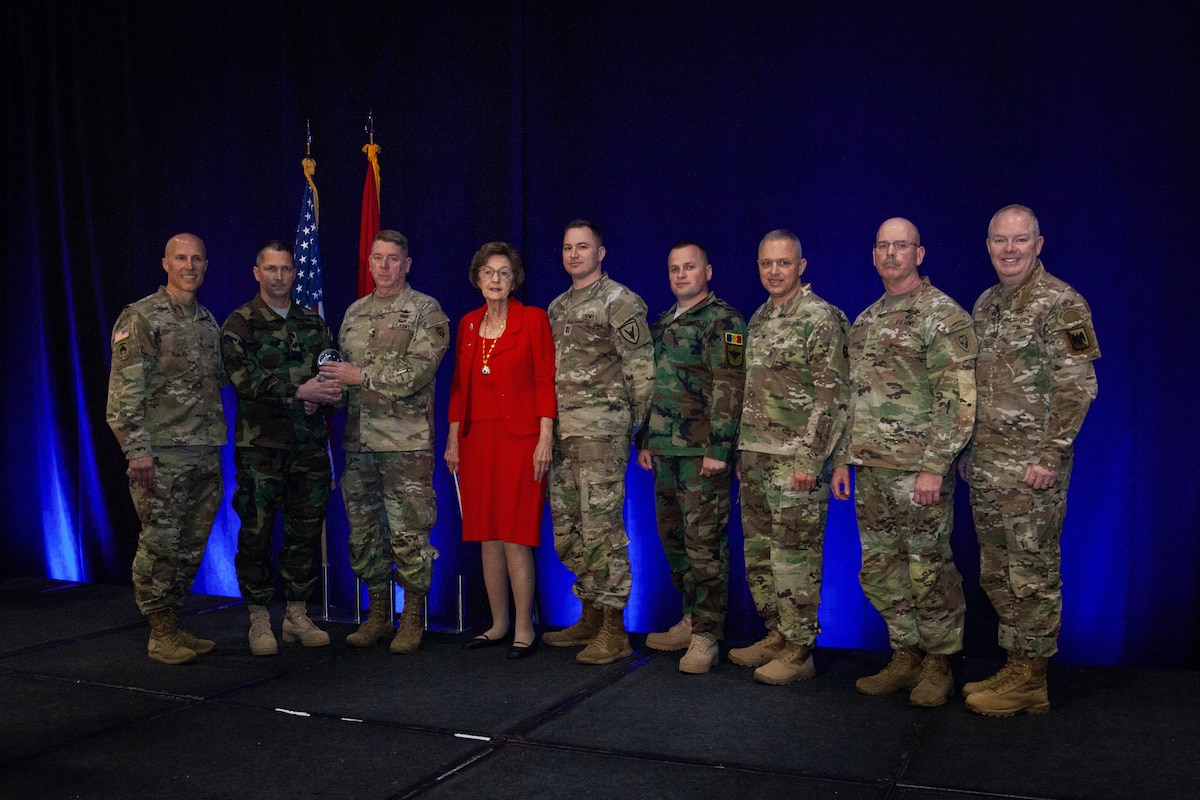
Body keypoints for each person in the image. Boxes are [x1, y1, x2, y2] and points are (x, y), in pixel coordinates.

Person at [959, 205, 1100, 716]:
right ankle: (1018, 663)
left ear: (1039, 244)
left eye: (1020, 240)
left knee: (1033, 572)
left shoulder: (1063, 305)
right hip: (990, 466)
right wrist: (971, 451)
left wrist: (1050, 454)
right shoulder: (985, 305)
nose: (1010, 249)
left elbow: (1078, 388)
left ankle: (1033, 680)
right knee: (997, 572)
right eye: (1000, 240)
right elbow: (978, 388)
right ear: (989, 245)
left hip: (1033, 471)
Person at [831, 218, 977, 707]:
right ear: (874, 255)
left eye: (902, 246)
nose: (892, 254)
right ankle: (906, 653)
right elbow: (853, 397)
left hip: (919, 472)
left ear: (920, 253)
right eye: (883, 246)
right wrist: (842, 460)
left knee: (928, 570)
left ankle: (939, 663)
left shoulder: (942, 315)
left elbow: (957, 398)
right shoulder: (866, 319)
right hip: (871, 470)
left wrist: (936, 464)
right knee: (880, 569)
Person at [319, 230, 450, 654]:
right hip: (358, 445)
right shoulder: (354, 313)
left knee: (410, 535)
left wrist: (362, 377)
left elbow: (418, 372)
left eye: (394, 258)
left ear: (407, 263)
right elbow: (341, 377)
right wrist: (324, 395)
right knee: (365, 536)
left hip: (405, 446)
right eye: (378, 258)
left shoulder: (425, 311)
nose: (385, 265)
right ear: (369, 262)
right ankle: (378, 614)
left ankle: (411, 617)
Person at [728, 230, 849, 685]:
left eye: (783, 263)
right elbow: (751, 392)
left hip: (796, 461)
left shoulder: (819, 318)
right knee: (760, 554)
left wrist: (811, 459)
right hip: (757, 456)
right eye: (766, 264)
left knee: (794, 556)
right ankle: (777, 633)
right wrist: (743, 448)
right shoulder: (759, 317)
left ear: (801, 265)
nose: (774, 271)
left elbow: (831, 395)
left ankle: (800, 650)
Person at [106, 233, 226, 665]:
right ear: (165, 263)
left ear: (206, 266)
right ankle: (159, 633)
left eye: (197, 258)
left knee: (191, 546)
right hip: (160, 457)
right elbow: (124, 393)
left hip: (204, 452)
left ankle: (174, 623)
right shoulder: (140, 316)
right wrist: (136, 450)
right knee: (160, 545)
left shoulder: (208, 321)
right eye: (181, 258)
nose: (189, 265)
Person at [220, 240, 343, 656]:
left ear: (295, 273)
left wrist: (321, 397)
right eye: (271, 269)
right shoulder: (240, 324)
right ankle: (258, 618)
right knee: (256, 534)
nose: (279, 276)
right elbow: (244, 381)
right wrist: (298, 391)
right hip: (260, 451)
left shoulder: (314, 325)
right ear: (257, 272)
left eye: (286, 269)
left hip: (307, 448)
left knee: (304, 534)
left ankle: (295, 614)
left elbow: (332, 380)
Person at [544, 219, 654, 664]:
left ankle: (614, 629)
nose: (574, 254)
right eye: (568, 247)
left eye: (583, 247)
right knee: (568, 532)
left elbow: (642, 372)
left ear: (600, 252)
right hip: (562, 437)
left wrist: (632, 429)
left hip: (601, 434)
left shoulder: (619, 301)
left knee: (602, 532)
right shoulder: (555, 307)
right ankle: (589, 614)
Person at [636, 242, 746, 674]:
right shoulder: (663, 321)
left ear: (708, 271)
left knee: (704, 548)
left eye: (690, 267)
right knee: (675, 542)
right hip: (664, 452)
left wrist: (720, 450)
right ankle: (689, 617)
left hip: (703, 455)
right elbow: (652, 388)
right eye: (674, 268)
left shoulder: (724, 321)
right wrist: (645, 439)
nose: (681, 274)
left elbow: (729, 384)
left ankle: (707, 635)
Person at [445, 242, 556, 660]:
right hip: (477, 441)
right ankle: (497, 624)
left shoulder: (533, 319)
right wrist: (454, 438)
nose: (495, 279)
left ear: (515, 279)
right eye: (488, 272)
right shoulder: (468, 325)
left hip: (521, 441)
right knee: (487, 535)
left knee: (515, 536)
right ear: (477, 279)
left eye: (504, 272)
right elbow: (458, 387)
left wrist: (545, 437)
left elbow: (546, 380)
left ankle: (525, 627)